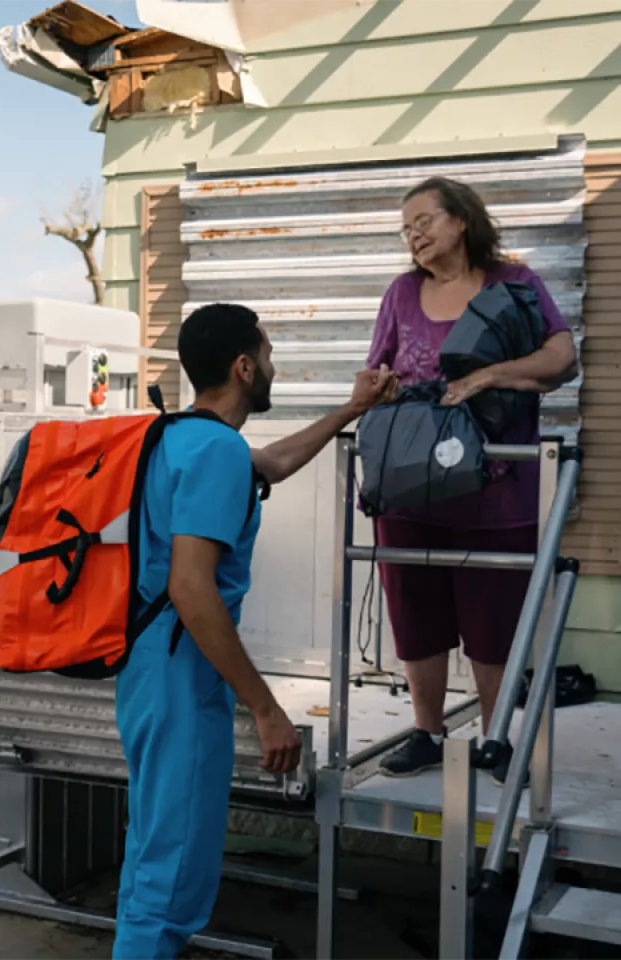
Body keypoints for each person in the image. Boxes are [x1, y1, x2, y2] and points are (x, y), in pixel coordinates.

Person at [113, 302, 395, 959]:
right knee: (171, 879)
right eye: (267, 356)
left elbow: (269, 463)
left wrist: (352, 410)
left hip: (149, 668)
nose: (274, 365)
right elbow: (190, 586)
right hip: (181, 673)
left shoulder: (179, 438)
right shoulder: (214, 451)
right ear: (244, 367)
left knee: (155, 853)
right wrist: (267, 709)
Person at [368, 176, 579, 784]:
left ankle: (494, 739)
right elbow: (378, 365)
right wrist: (372, 394)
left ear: (461, 219)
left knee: (493, 619)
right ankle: (428, 731)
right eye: (406, 228)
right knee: (415, 611)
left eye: (424, 220)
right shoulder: (402, 293)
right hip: (411, 483)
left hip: (496, 486)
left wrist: (489, 377)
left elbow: (560, 358)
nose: (415, 234)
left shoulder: (514, 283)